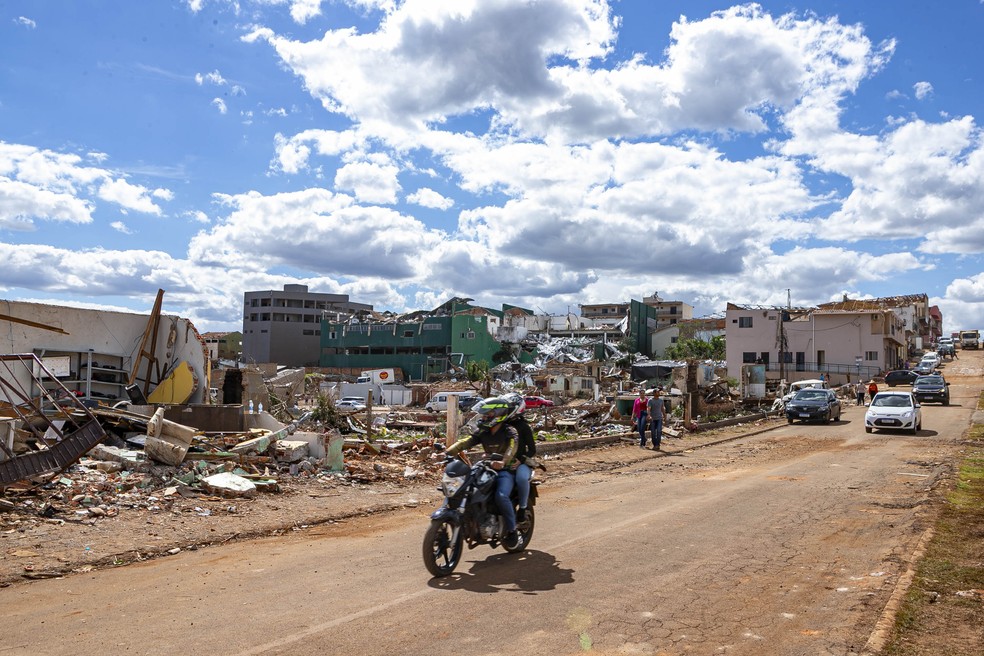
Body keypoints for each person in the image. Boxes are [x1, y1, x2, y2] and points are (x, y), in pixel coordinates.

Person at [444, 395, 524, 549]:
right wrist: (447, 452)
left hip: (504, 471)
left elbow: (512, 447)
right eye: (483, 414)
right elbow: (465, 442)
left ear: (498, 414)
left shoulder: (509, 430)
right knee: (466, 488)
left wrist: (503, 462)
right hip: (485, 467)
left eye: (488, 414)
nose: (484, 417)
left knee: (501, 496)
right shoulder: (483, 431)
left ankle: (512, 530)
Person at [502, 393, 536, 523]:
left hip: (521, 463)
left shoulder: (524, 427)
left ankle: (522, 509)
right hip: (503, 461)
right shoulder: (501, 425)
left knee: (521, 478)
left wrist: (520, 460)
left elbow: (532, 450)